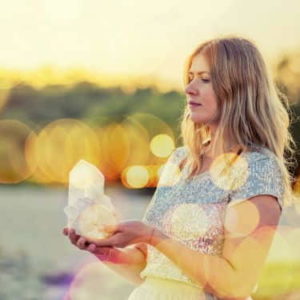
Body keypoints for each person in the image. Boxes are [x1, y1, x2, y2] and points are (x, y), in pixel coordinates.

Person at [63, 36, 296, 300]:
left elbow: (236, 286)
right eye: (190, 76)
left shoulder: (258, 168)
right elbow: (149, 269)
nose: (189, 88)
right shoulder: (180, 162)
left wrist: (152, 235)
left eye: (205, 79)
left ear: (239, 87)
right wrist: (104, 250)